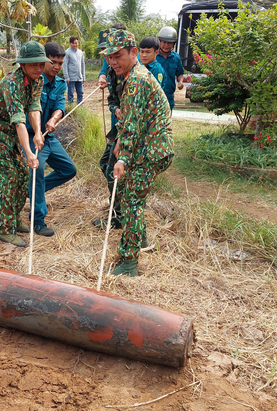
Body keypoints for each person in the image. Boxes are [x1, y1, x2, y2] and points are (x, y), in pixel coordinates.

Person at [101, 29, 174, 277]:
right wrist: (122, 143)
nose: (112, 62)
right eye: (109, 57)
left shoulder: (137, 81)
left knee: (131, 202)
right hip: (146, 147)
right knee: (128, 194)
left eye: (117, 56)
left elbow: (132, 126)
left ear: (134, 53)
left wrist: (122, 157)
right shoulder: (132, 76)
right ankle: (139, 238)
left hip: (152, 150)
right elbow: (132, 122)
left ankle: (129, 262)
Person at [0, 41, 49, 247]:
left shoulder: (37, 80)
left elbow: (33, 108)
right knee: (7, 177)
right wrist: (29, 152)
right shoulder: (12, 84)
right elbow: (19, 120)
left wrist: (38, 133)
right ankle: (4, 228)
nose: (39, 68)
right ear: (22, 65)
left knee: (23, 175)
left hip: (8, 132)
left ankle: (13, 219)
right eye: (34, 65)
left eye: (41, 64)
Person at [25, 42, 77, 237]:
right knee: (37, 171)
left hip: (49, 135)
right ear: (44, 60)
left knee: (68, 170)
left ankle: (33, 191)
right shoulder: (33, 81)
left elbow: (60, 107)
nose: (56, 66)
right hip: (31, 135)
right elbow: (32, 110)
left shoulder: (60, 84)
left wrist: (54, 120)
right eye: (53, 62)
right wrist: (38, 130)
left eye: (60, 63)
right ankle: (37, 220)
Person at [93, 25, 126, 230]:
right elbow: (113, 100)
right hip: (119, 127)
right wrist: (115, 110)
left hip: (130, 132)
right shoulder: (112, 69)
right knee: (106, 164)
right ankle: (117, 214)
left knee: (116, 171)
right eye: (106, 54)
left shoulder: (131, 73)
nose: (110, 59)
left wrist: (122, 139)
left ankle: (121, 218)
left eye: (114, 54)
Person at [156, 26, 185, 109]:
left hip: (169, 97)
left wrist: (180, 82)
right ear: (159, 42)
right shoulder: (153, 56)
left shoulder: (176, 58)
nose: (166, 45)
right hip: (154, 96)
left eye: (169, 43)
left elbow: (180, 73)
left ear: (173, 44)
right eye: (164, 42)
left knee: (166, 121)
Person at [63, 36, 85, 104]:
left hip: (79, 77)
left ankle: (80, 107)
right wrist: (67, 77)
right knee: (70, 93)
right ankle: (71, 107)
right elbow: (65, 65)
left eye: (76, 43)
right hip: (71, 78)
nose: (75, 45)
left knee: (80, 92)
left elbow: (82, 64)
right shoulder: (67, 52)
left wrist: (83, 77)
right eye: (73, 43)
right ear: (70, 43)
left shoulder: (80, 52)